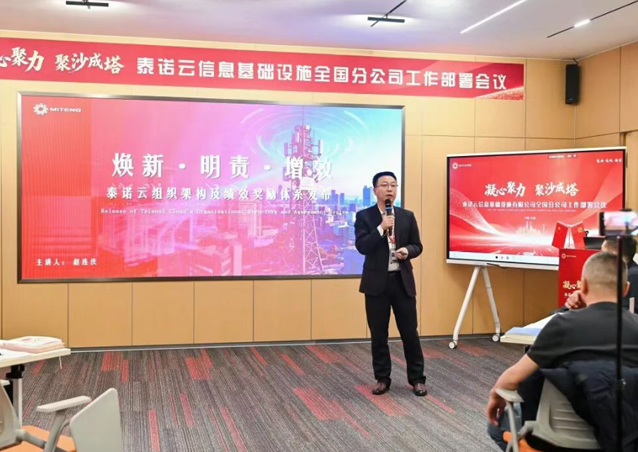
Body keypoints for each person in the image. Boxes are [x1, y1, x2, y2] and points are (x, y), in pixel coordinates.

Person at [487, 252, 638, 451]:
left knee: (496, 427)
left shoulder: (562, 325)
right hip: (626, 437)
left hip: (557, 440)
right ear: (626, 289)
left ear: (583, 285)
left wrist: (495, 396)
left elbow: (513, 377)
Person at [354, 171, 427, 397]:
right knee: (379, 335)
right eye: (384, 185)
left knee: (410, 333)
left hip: (402, 282)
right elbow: (362, 246)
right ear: (375, 190)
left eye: (393, 185)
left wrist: (408, 251)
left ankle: (417, 379)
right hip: (376, 284)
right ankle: (382, 378)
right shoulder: (364, 216)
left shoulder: (406, 216)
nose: (389, 189)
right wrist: (381, 228)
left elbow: (417, 245)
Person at [565, 236, 638, 313]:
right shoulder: (611, 274)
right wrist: (582, 298)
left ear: (613, 255)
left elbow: (620, 312)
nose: (599, 257)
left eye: (602, 252)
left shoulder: (632, 277)